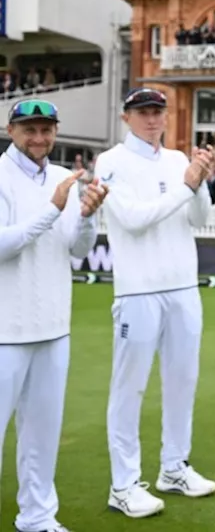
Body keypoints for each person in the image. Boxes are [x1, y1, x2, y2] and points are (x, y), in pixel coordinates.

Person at [95, 88, 215, 517]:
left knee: (183, 381)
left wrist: (199, 182)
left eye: (157, 112)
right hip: (138, 290)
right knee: (129, 389)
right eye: (143, 112)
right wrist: (187, 185)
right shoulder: (110, 162)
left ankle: (174, 467)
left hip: (183, 286)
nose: (152, 119)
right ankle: (123, 484)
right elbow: (133, 220)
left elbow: (198, 218)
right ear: (126, 117)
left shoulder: (177, 159)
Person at [0, 98, 106, 532]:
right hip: (5, 329)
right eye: (30, 130)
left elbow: (78, 250)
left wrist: (86, 217)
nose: (39, 138)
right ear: (12, 132)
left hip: (54, 326)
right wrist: (53, 209)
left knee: (42, 435)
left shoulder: (65, 177)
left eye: (46, 130)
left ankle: (38, 518)